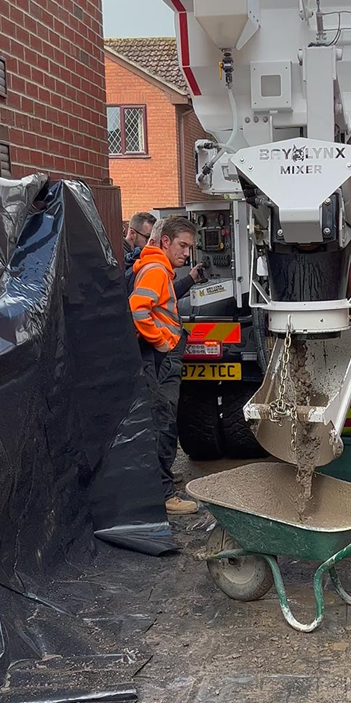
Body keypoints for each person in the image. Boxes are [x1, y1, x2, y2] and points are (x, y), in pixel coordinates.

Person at [129, 215, 204, 515]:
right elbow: (137, 309)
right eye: (183, 246)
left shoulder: (157, 268)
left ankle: (161, 482)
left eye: (190, 247)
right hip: (160, 360)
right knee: (163, 424)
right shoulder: (157, 270)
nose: (186, 253)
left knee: (160, 422)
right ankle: (164, 494)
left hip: (158, 358)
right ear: (165, 242)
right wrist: (162, 341)